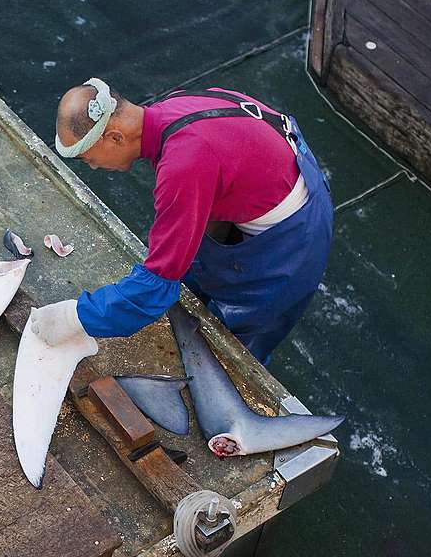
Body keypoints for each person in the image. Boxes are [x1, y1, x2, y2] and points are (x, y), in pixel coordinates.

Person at [30, 78, 334, 363]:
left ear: (115, 137)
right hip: (285, 170)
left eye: (88, 158)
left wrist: (75, 318)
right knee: (188, 275)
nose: (94, 167)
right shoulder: (172, 107)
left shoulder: (183, 164)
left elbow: (155, 287)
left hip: (296, 237)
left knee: (234, 349)